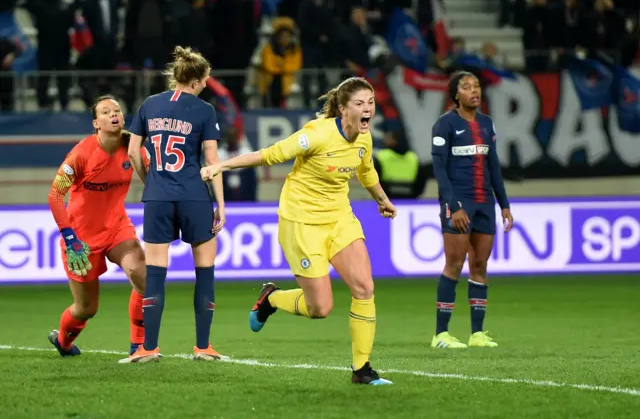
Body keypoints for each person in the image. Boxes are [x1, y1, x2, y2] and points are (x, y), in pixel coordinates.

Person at [201, 77, 397, 385]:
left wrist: (383, 201)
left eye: (370, 103)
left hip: (339, 218)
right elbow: (271, 154)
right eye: (359, 104)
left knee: (364, 288)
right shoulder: (316, 134)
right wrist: (221, 166)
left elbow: (366, 169)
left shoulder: (364, 137)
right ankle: (271, 299)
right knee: (320, 308)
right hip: (302, 221)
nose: (367, 109)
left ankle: (362, 369)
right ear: (343, 109)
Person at [122, 46, 226, 363]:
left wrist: (149, 178)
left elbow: (131, 152)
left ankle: (149, 348)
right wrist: (220, 204)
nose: (207, 85)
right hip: (195, 195)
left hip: (158, 196)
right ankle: (203, 347)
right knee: (204, 271)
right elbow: (211, 160)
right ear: (196, 80)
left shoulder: (150, 104)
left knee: (155, 273)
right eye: (205, 80)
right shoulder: (205, 110)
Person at [47, 95, 147, 357]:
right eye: (106, 112)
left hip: (117, 227)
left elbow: (154, 180)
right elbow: (55, 195)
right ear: (96, 123)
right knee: (86, 309)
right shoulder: (82, 153)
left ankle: (139, 345)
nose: (113, 114)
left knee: (143, 277)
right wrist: (70, 238)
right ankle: (63, 342)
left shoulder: (134, 147)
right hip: (81, 238)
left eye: (117, 110)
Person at [430, 71, 514, 349]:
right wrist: (453, 206)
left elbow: (494, 167)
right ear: (456, 94)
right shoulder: (445, 125)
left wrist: (504, 204)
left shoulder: (487, 124)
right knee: (454, 265)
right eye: (466, 87)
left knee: (479, 266)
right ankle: (441, 334)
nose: (474, 91)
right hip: (458, 203)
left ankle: (476, 334)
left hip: (484, 204)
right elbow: (440, 170)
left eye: (476, 86)